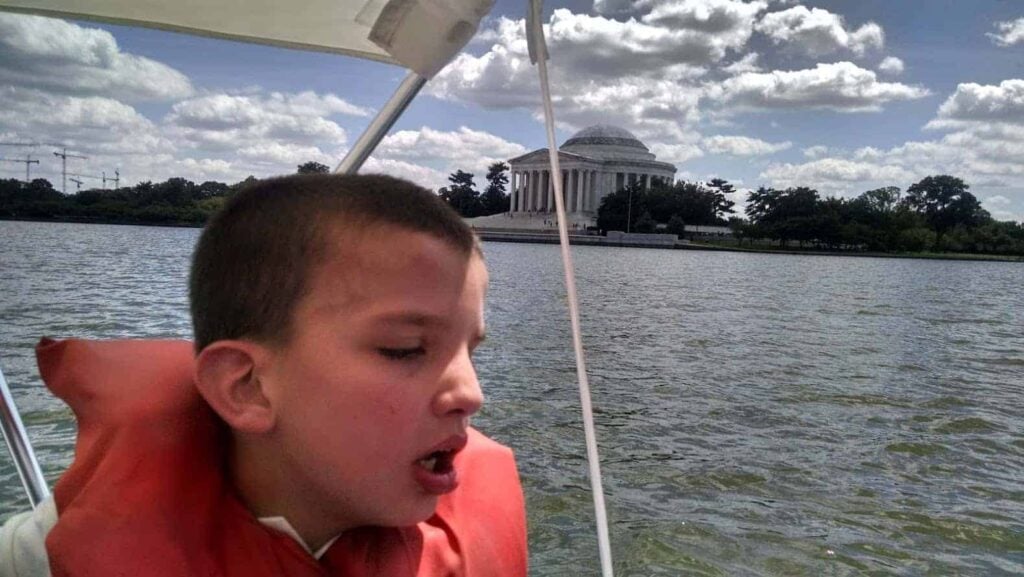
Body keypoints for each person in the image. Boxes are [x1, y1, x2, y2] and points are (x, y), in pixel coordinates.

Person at [0, 173, 527, 576]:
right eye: (405, 349)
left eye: (469, 350)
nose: (471, 394)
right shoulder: (41, 556)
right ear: (246, 386)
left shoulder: (470, 533)